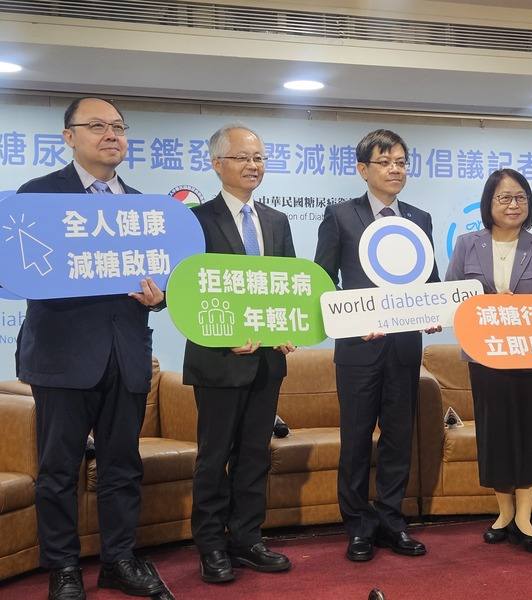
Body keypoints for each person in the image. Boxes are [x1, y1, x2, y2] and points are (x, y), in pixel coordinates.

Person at [16, 97, 167, 599]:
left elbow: (164, 283)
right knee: (58, 470)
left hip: (125, 356)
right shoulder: (36, 197)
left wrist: (160, 296)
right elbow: (19, 272)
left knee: (123, 466)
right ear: (68, 136)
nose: (111, 135)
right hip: (62, 358)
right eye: (97, 126)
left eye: (119, 127)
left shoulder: (145, 208)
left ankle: (119, 560)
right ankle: (62, 567)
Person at [314, 129, 440, 562]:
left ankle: (391, 520)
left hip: (405, 348)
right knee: (355, 437)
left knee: (398, 437)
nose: (395, 170)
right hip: (358, 349)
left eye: (401, 162)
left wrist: (436, 310)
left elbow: (431, 281)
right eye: (385, 162)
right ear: (363, 169)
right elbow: (322, 282)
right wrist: (353, 321)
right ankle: (357, 525)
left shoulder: (419, 219)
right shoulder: (340, 216)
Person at [183, 124, 296, 583]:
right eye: (243, 157)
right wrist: (224, 333)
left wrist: (288, 327)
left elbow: (290, 286)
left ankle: (247, 538)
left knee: (254, 454)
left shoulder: (276, 221)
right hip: (217, 361)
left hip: (267, 362)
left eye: (260, 158)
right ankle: (210, 545)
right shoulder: (195, 220)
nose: (254, 166)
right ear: (217, 164)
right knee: (215, 457)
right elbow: (187, 293)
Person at [445, 168, 532, 554]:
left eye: (520, 198)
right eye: (504, 198)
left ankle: (525, 517)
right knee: (495, 434)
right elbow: (452, 297)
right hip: (486, 355)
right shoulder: (466, 244)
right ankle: (504, 513)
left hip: (531, 357)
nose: (513, 205)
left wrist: (519, 309)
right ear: (489, 203)